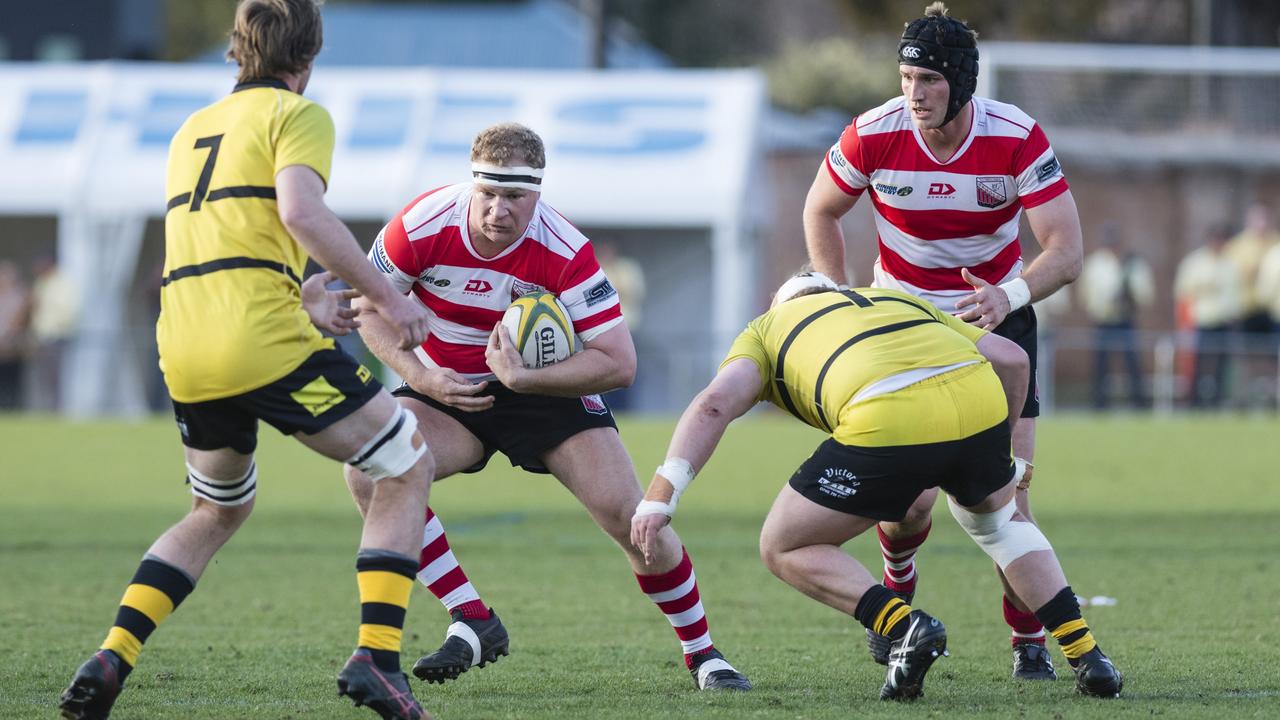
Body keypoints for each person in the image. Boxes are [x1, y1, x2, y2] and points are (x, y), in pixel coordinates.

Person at [59, 3, 436, 719]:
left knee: (215, 509)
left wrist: (299, 300)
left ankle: (114, 654)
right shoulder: (299, 114)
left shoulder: (191, 129)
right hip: (257, 342)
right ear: (310, 56)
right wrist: (387, 297)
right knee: (406, 461)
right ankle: (377, 658)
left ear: (237, 51)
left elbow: (220, 244)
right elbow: (300, 213)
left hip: (186, 344)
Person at [346, 121, 752, 692]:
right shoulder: (421, 224)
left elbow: (619, 362)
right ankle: (472, 618)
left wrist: (524, 378)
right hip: (449, 389)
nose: (498, 210)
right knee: (372, 468)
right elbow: (369, 307)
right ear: (472, 184)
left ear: (537, 192)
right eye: (488, 193)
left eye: (514, 196)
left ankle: (704, 654)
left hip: (546, 393)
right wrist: (421, 377)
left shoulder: (565, 250)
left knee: (632, 520)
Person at [631, 272, 1123, 701]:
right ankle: (1089, 656)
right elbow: (1013, 360)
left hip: (887, 413)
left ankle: (904, 625)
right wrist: (1005, 456)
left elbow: (715, 404)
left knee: (783, 544)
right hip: (978, 398)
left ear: (779, 306)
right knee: (1000, 524)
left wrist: (662, 492)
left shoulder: (766, 329)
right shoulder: (895, 299)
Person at [801, 2, 1084, 680]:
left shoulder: (1015, 136)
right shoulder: (874, 132)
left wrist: (1007, 294)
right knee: (908, 501)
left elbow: (1066, 250)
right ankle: (898, 575)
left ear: (961, 82)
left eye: (928, 80)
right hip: (903, 326)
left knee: (1008, 494)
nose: (914, 94)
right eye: (906, 77)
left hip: (997, 320)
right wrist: (840, 300)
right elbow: (821, 208)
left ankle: (1027, 643)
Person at [1078, 223, 1154, 409]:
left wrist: (1130, 295)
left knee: (1132, 362)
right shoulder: (1094, 263)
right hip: (1102, 320)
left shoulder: (1132, 263)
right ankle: (1100, 404)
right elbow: (1086, 293)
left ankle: (1138, 403)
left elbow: (1145, 293)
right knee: (1101, 364)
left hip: (1125, 318)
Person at [1174, 223, 1243, 409]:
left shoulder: (1229, 264)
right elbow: (1184, 294)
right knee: (1198, 364)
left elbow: (1234, 294)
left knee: (1222, 366)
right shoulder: (1195, 263)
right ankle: (1194, 402)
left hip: (1224, 321)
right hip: (1201, 321)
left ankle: (1218, 402)